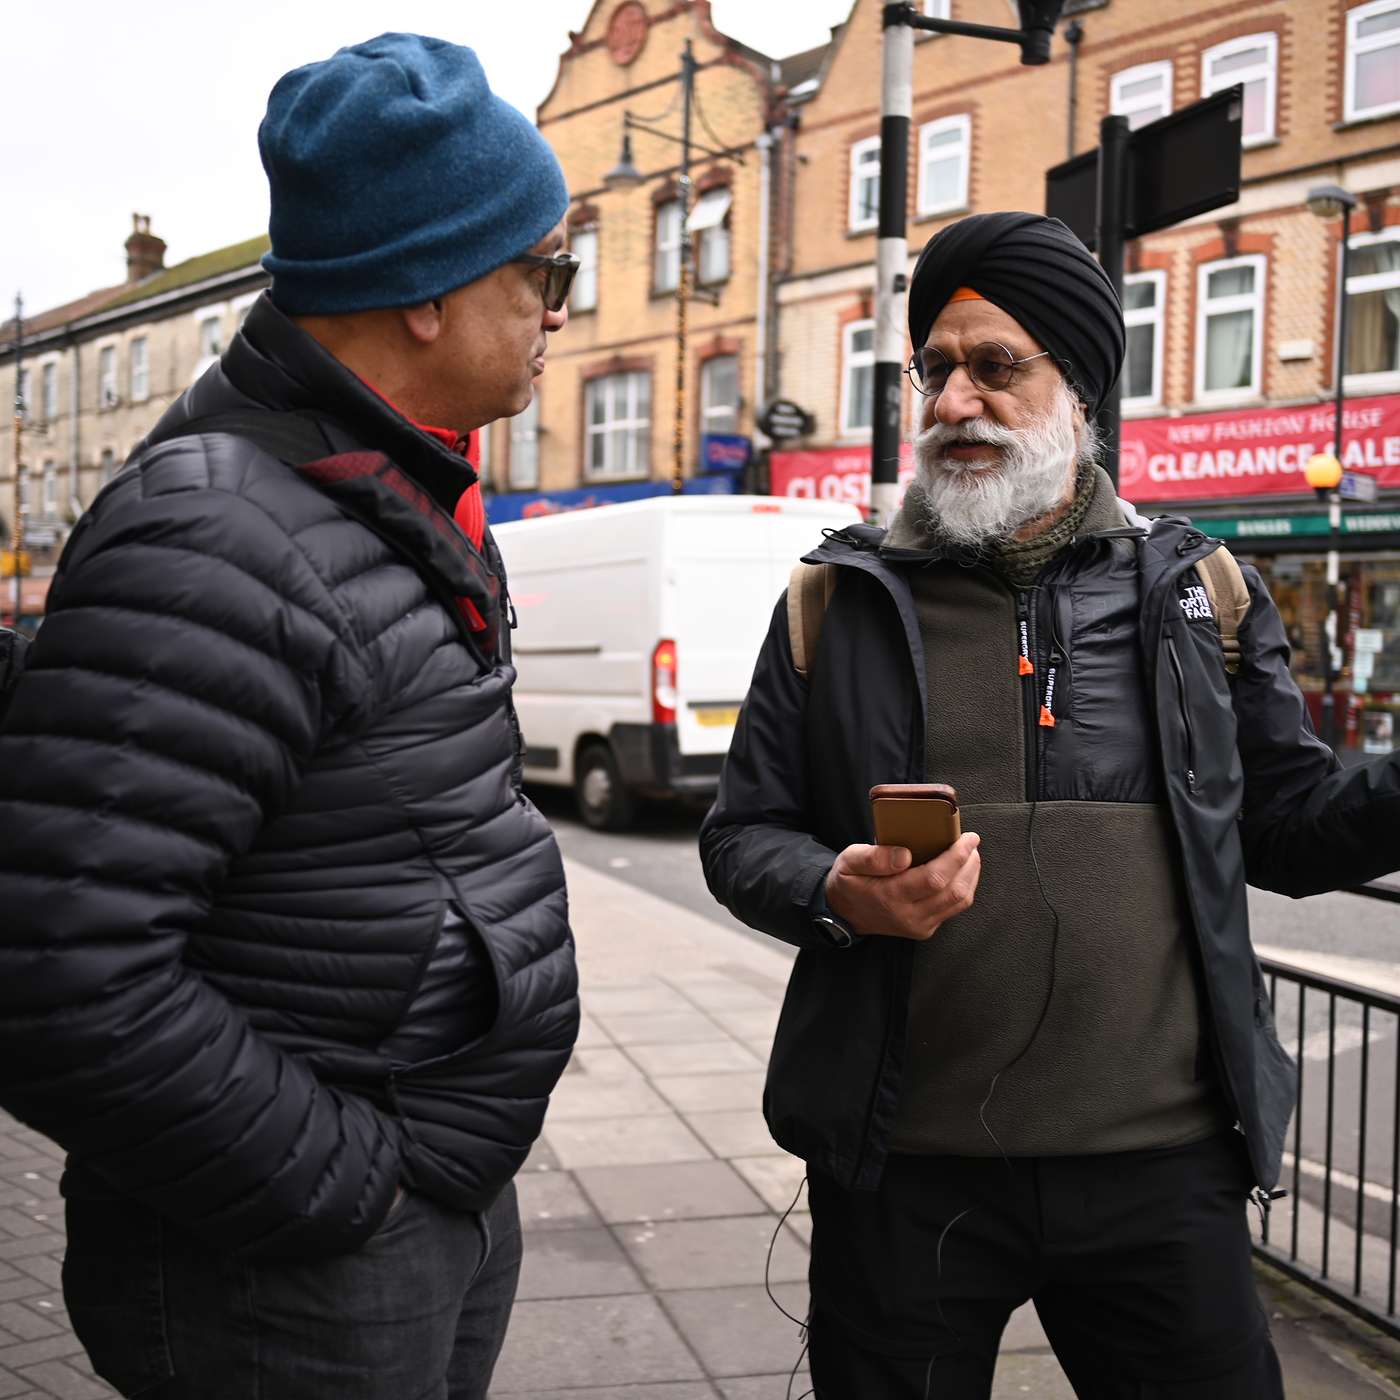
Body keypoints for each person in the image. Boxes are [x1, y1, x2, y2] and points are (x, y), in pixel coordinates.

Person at [700, 210, 1400, 1398]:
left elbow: (1285, 830)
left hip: (1159, 1170)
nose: (954, 398)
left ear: (1077, 390)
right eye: (934, 367)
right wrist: (833, 887)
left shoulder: (1205, 594)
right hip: (905, 1170)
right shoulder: (835, 598)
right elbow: (739, 835)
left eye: (994, 365)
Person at [0, 33, 579, 1400]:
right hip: (293, 1267)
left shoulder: (376, 488)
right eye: (543, 271)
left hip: (414, 1201)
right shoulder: (216, 533)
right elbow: (56, 974)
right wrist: (347, 1191)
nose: (561, 307)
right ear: (429, 289)